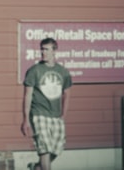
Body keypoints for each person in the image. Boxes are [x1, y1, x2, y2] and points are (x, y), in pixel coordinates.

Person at [21, 37, 73, 170]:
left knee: (56, 149)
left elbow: (67, 95)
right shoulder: (34, 70)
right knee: (44, 150)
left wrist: (63, 116)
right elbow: (27, 95)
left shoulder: (63, 72)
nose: (43, 52)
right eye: (42, 49)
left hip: (56, 115)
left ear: (54, 51)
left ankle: (37, 167)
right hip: (39, 114)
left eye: (46, 49)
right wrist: (26, 119)